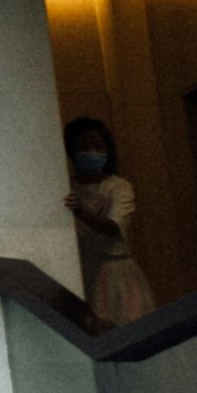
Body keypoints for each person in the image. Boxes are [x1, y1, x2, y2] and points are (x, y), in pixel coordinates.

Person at [62, 119, 155, 324]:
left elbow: (113, 227)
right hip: (81, 272)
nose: (91, 151)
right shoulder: (65, 187)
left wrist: (81, 212)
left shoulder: (119, 187)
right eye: (83, 146)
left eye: (97, 146)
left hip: (116, 274)